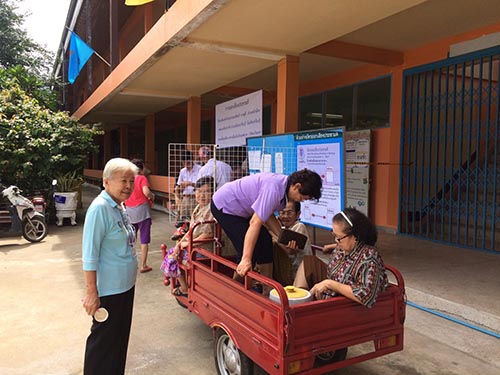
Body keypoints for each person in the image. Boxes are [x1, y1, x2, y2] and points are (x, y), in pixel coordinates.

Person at [210, 169, 322, 285]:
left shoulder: (283, 189)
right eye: (303, 197)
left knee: (265, 240)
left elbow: (267, 214)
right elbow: (255, 223)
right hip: (225, 207)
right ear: (296, 186)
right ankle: (234, 287)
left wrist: (283, 239)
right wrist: (246, 259)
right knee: (248, 249)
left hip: (243, 209)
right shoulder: (274, 189)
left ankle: (267, 286)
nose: (301, 201)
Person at [81, 158, 139, 374]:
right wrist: (91, 292)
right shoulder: (100, 209)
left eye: (132, 181)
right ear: (106, 181)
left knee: (118, 340)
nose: (128, 186)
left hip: (125, 287)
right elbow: (89, 254)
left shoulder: (118, 206)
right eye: (123, 180)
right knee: (103, 344)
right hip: (109, 290)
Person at [293, 208, 388, 308]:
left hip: (344, 307)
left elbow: (365, 295)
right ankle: (297, 303)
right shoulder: (343, 248)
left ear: (355, 236)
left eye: (339, 238)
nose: (336, 241)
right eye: (334, 236)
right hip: (331, 293)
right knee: (309, 262)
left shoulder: (369, 259)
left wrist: (330, 284)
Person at [161, 176, 215, 296]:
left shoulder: (211, 209)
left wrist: (188, 243)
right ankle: (185, 284)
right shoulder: (198, 208)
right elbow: (191, 230)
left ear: (213, 193)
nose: (202, 195)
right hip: (194, 246)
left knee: (171, 258)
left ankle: (184, 288)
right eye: (199, 191)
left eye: (206, 191)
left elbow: (208, 234)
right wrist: (180, 244)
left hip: (203, 250)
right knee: (173, 252)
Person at [124, 158, 155, 273]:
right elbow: (146, 192)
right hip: (142, 211)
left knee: (132, 239)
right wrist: (152, 196)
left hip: (129, 211)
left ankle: (130, 263)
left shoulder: (128, 179)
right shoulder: (142, 178)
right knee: (144, 239)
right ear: (141, 168)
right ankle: (143, 265)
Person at [272, 201, 312, 286]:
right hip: (284, 272)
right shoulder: (281, 228)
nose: (285, 216)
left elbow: (289, 250)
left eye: (289, 213)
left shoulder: (299, 226)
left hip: (298, 274)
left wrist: (274, 234)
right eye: (282, 212)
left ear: (298, 214)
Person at [175, 151, 201, 220]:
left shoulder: (199, 169)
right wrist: (178, 193)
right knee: (184, 219)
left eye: (188, 162)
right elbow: (178, 185)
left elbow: (201, 186)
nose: (186, 164)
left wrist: (190, 183)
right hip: (185, 198)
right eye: (184, 162)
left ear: (192, 160)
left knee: (195, 218)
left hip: (195, 198)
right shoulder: (182, 171)